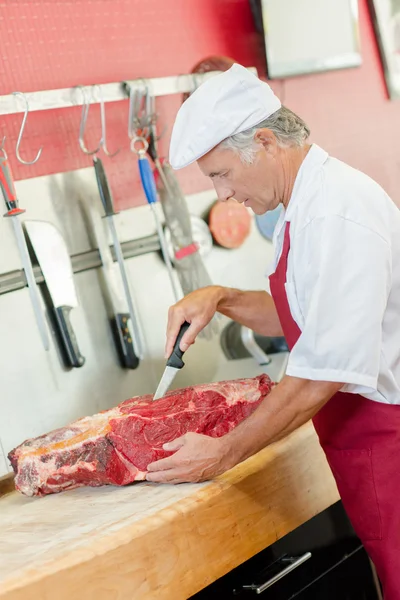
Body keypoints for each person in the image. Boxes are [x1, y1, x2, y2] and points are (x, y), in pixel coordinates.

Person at [146, 63, 400, 597]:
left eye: (221, 174)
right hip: (370, 452)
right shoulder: (304, 203)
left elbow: (317, 376)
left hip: (390, 443)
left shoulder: (336, 213)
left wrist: (225, 452)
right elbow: (305, 319)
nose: (222, 194)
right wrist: (222, 298)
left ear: (264, 141)